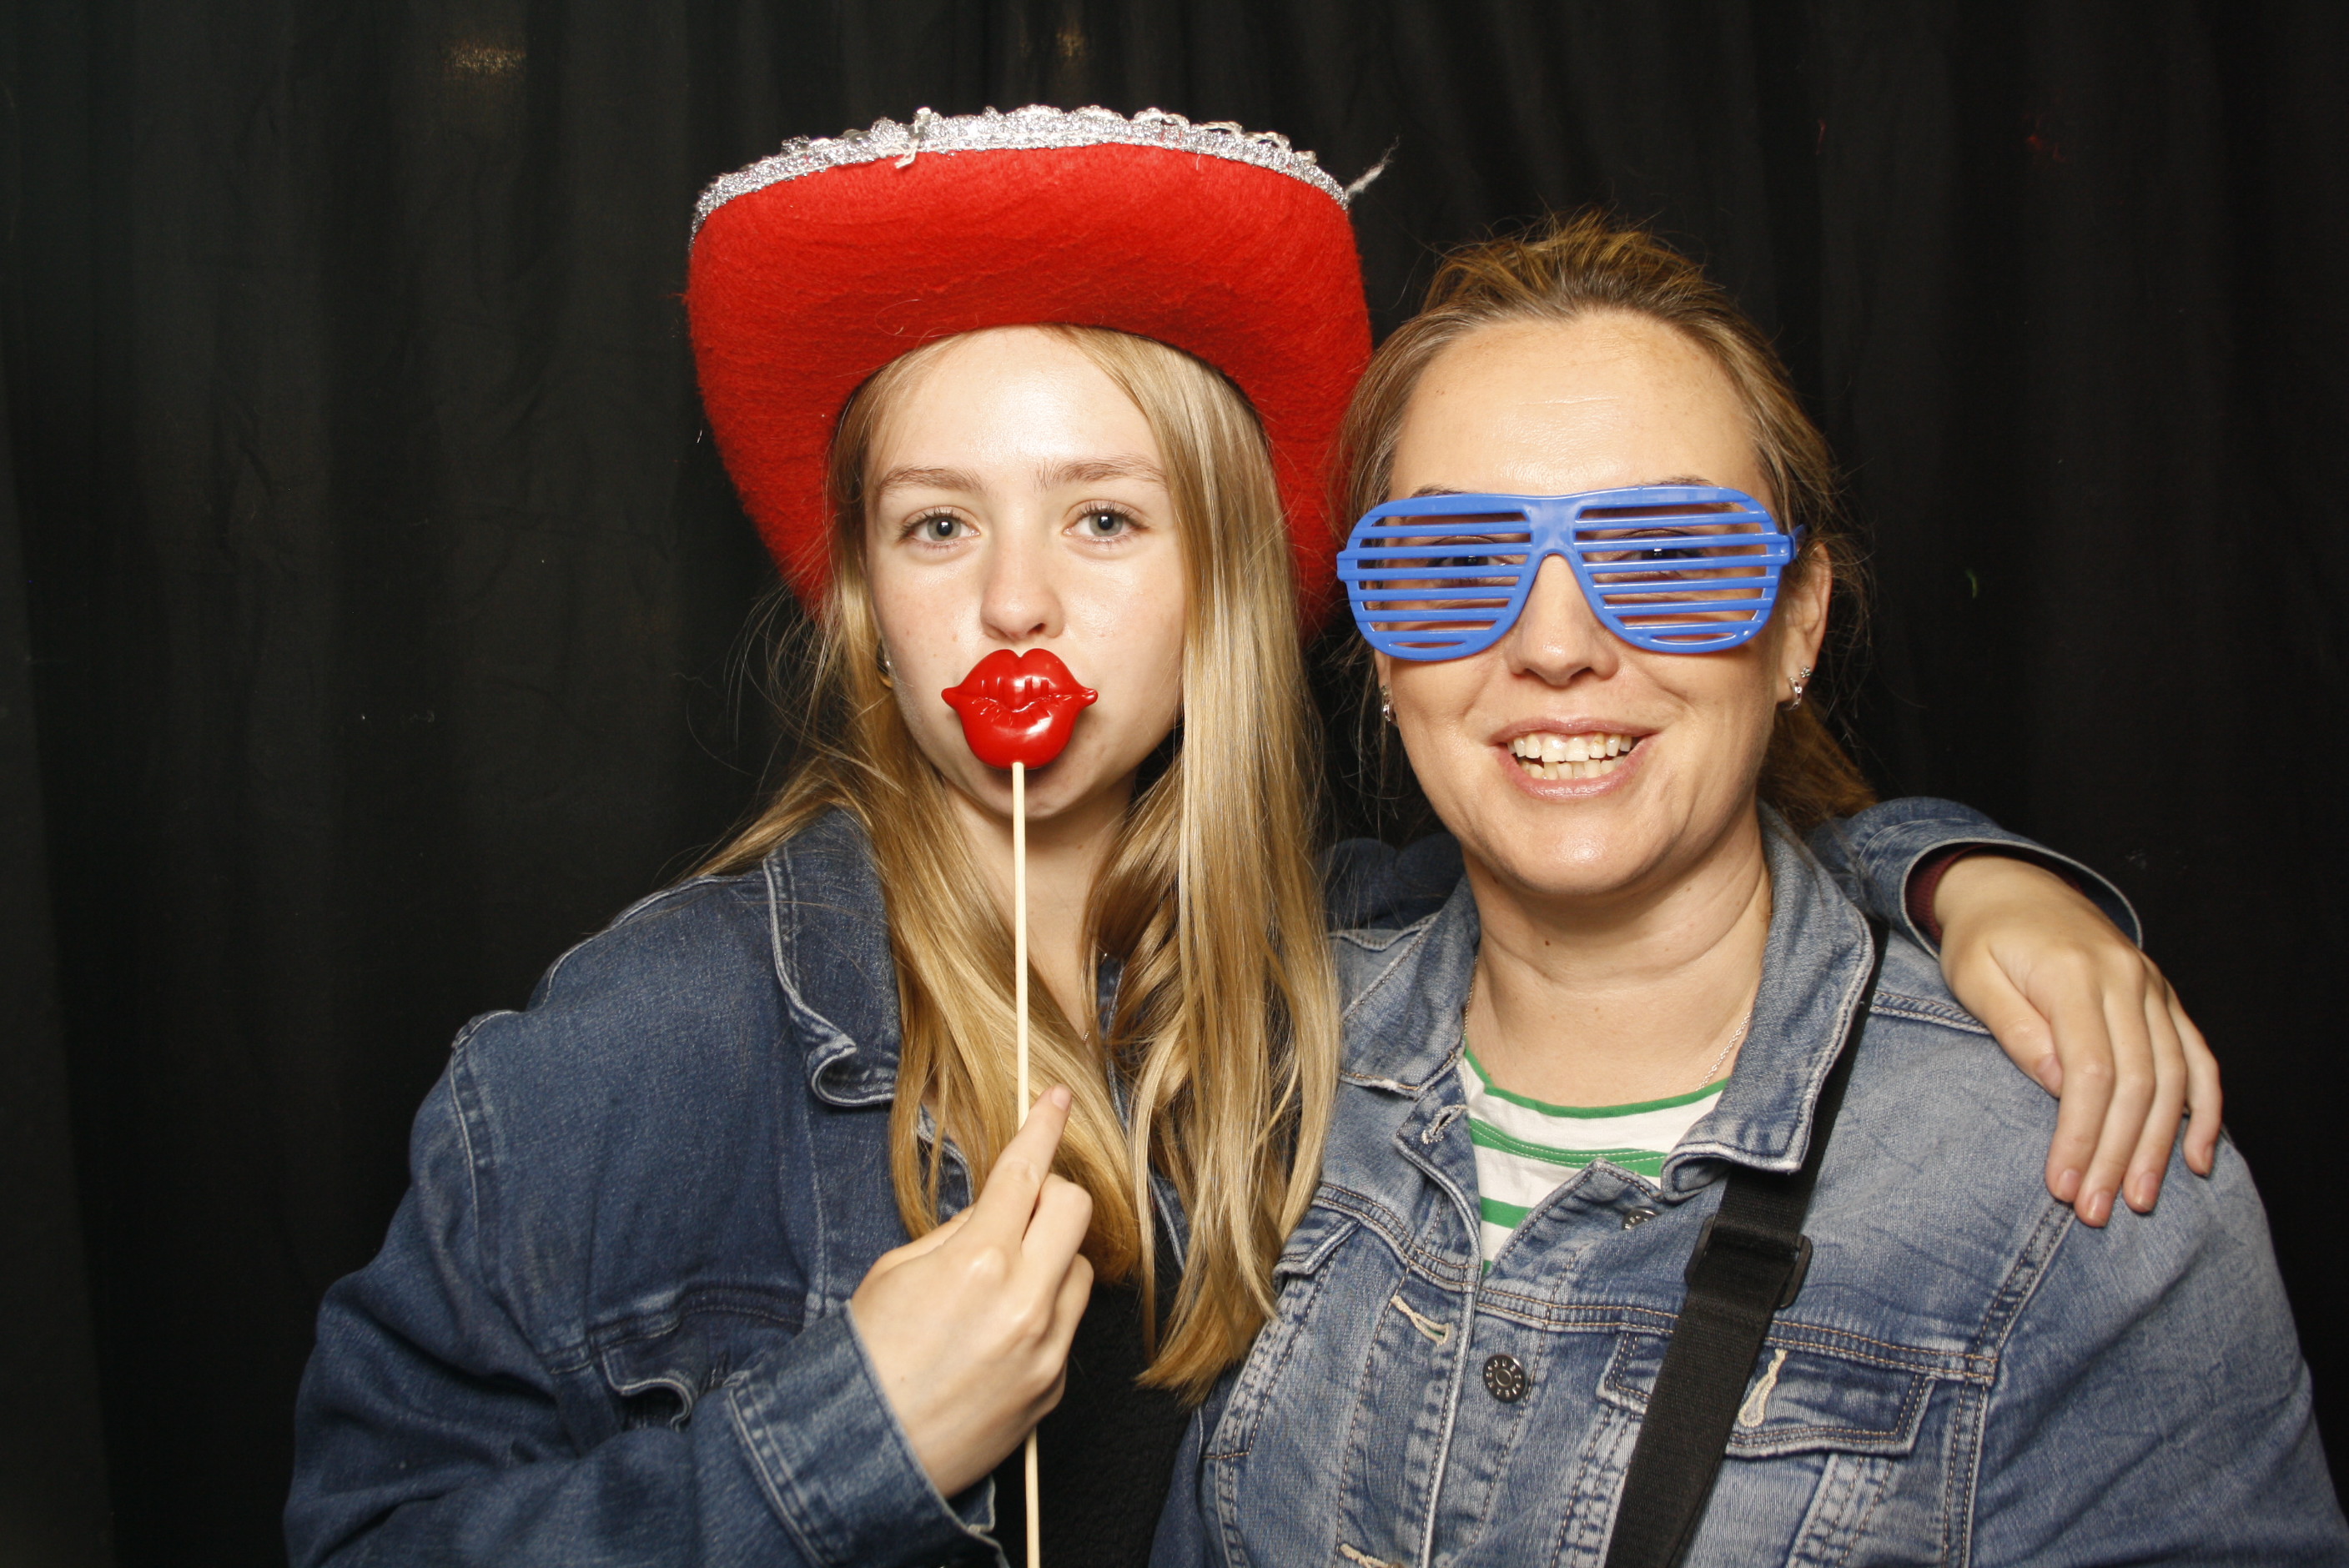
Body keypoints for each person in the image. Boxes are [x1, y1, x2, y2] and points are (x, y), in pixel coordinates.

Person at [285, 114, 2222, 1567]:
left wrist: (1970, 880)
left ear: (1228, 578)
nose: (1017, 601)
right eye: (938, 525)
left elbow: (1640, 830)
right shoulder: (639, 1044)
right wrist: (842, 1437)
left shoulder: (1339, 965)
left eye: (1105, 520)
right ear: (864, 591)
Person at [1156, 213, 2346, 1565]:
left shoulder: (2070, 1174)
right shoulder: (1261, 1063)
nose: (1555, 644)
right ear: (1379, 649)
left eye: (1665, 555)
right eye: (1456, 564)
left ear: (1798, 624)